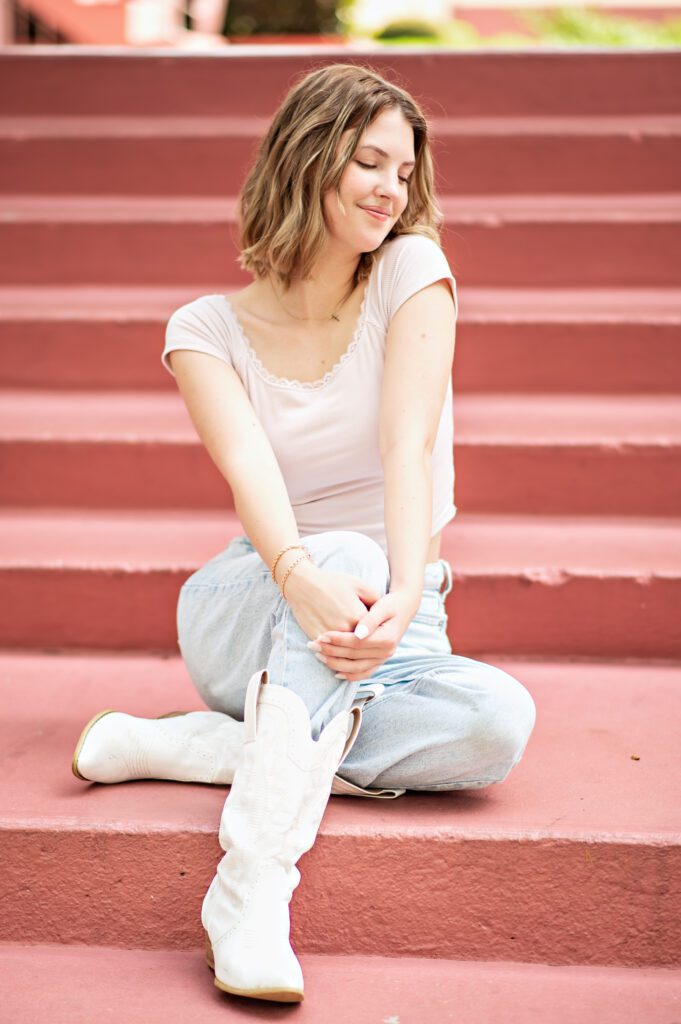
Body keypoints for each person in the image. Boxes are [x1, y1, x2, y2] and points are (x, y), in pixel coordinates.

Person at [71, 62, 537, 1004]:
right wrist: (303, 573)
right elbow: (253, 481)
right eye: (368, 162)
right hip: (254, 600)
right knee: (343, 552)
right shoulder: (205, 328)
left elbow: (405, 447)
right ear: (307, 157)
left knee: (496, 725)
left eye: (403, 172)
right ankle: (247, 894)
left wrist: (406, 595)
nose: (389, 190)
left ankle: (197, 746)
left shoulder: (413, 269)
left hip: (390, 618)